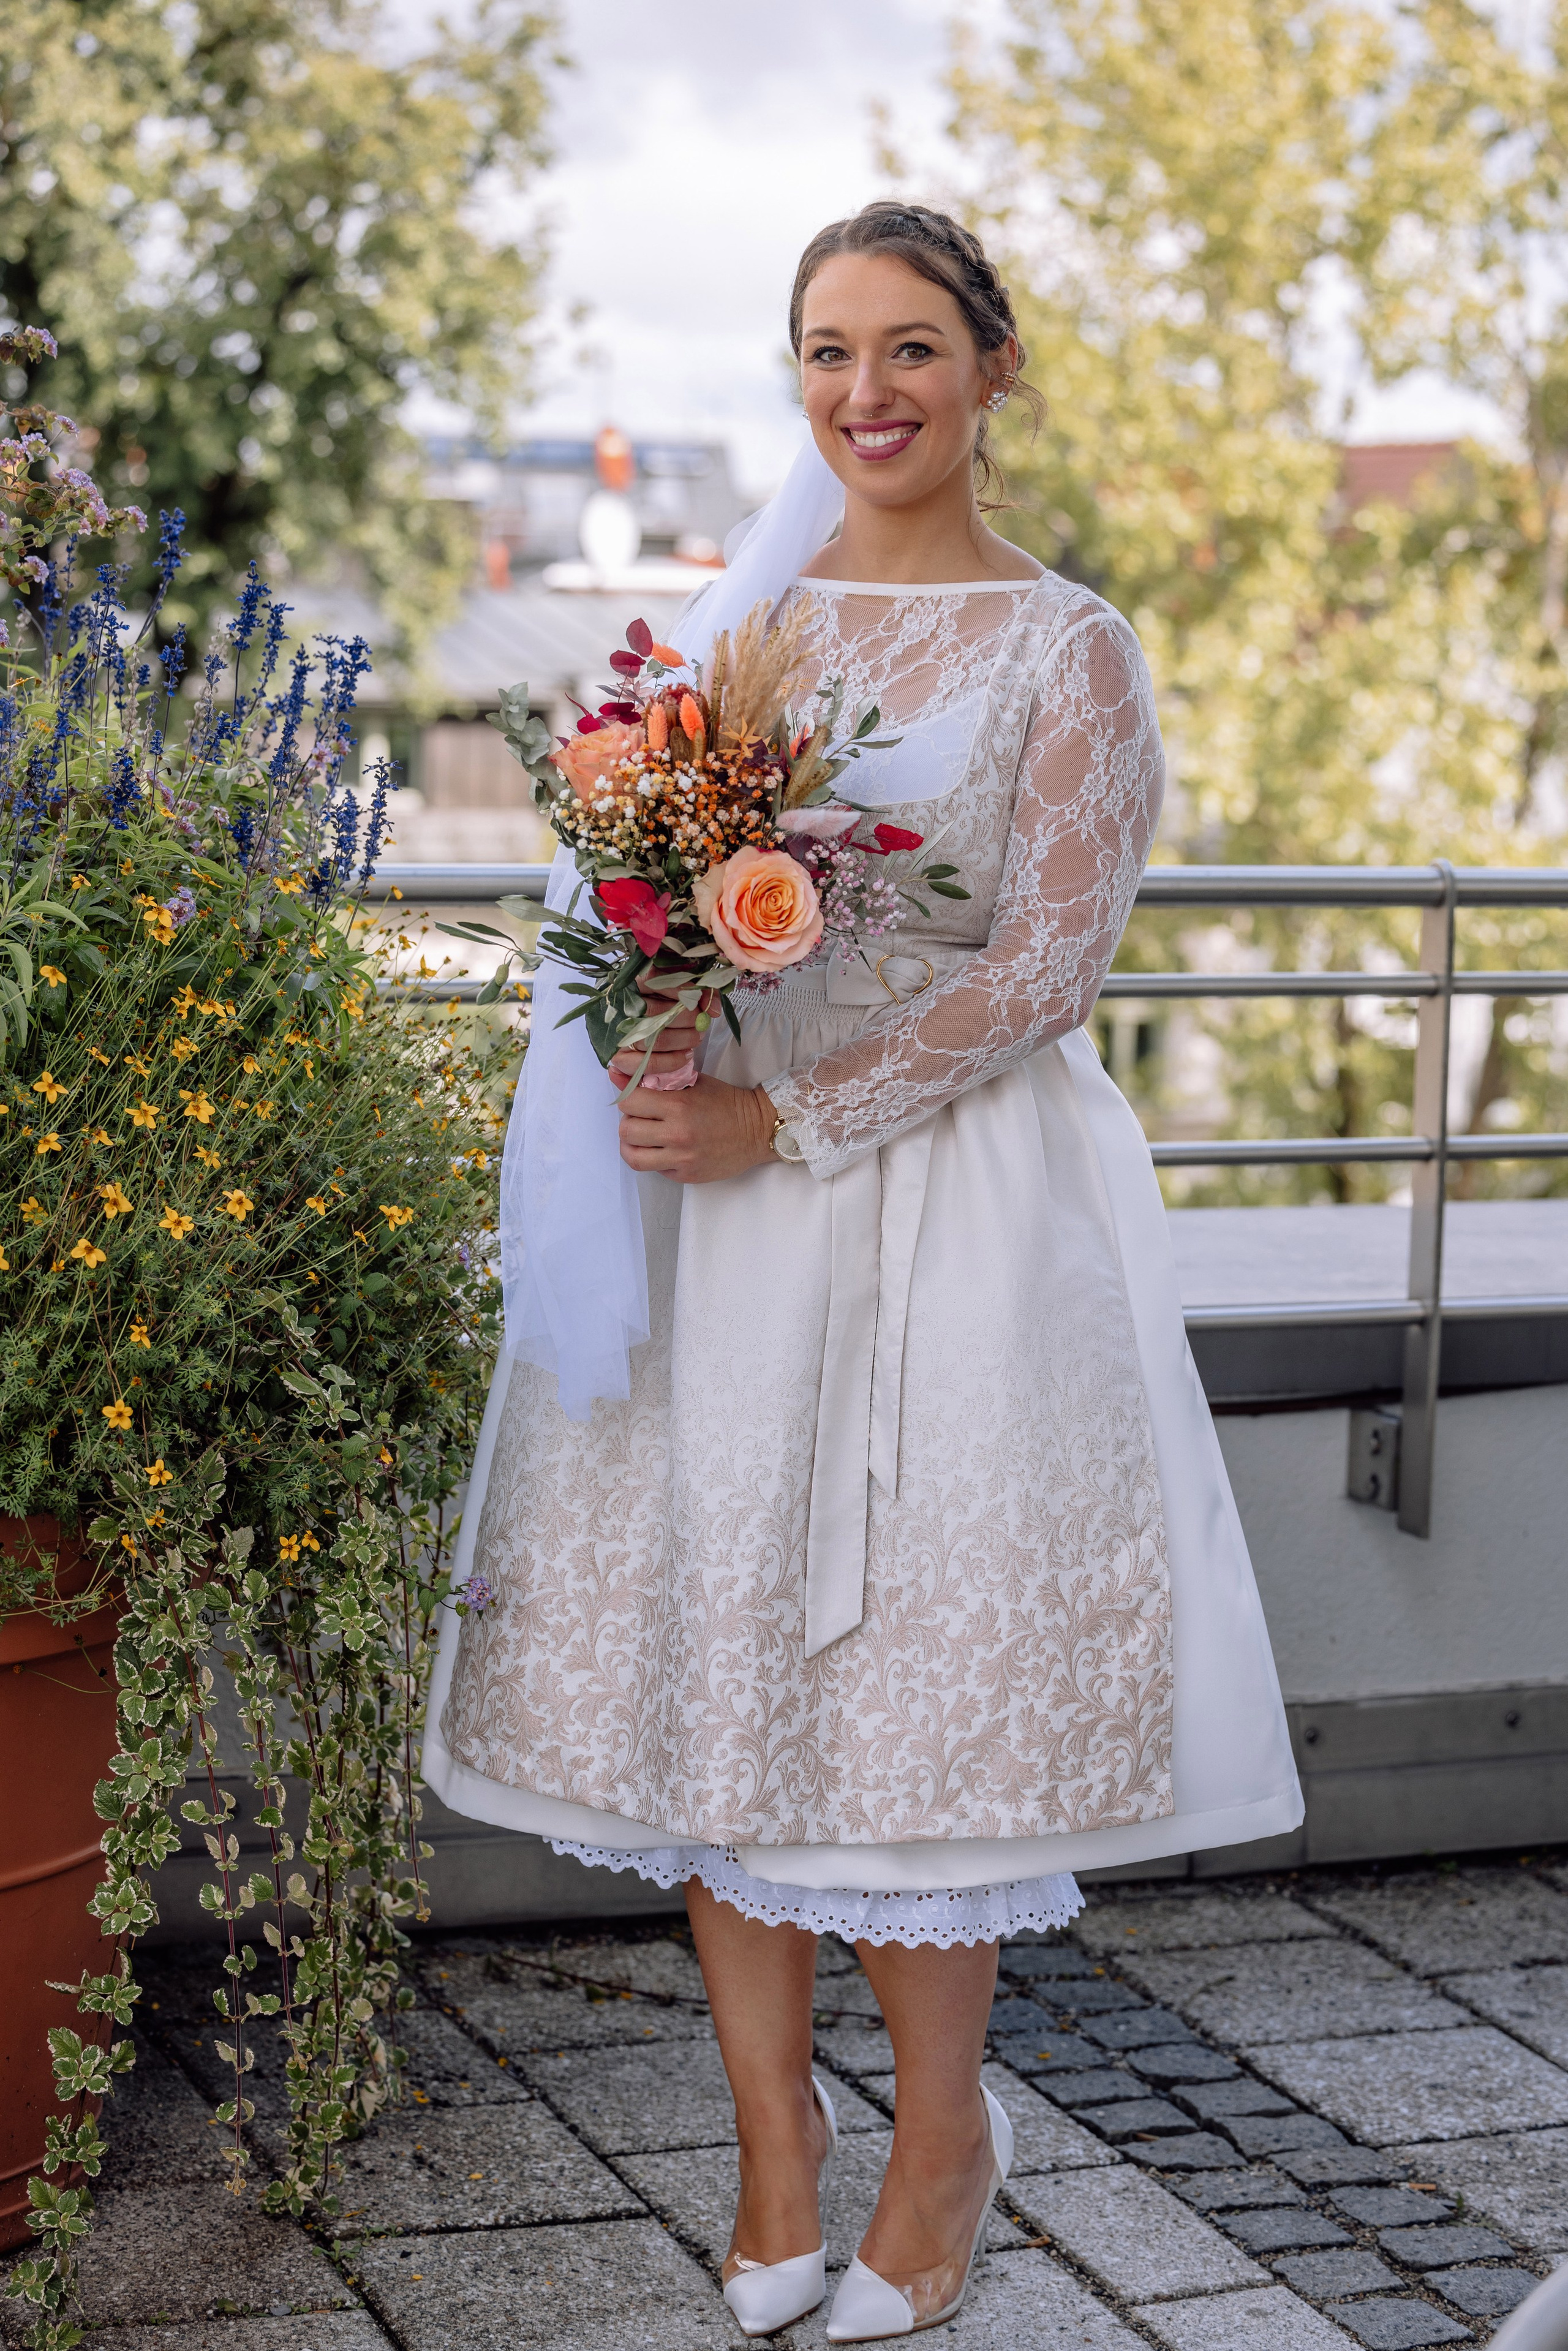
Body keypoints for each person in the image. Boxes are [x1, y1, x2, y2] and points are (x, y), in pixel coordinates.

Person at [424, 200, 1302, 2341]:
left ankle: (939, 2144)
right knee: (722, 1677)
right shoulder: (749, 631)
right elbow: (646, 892)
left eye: (914, 348)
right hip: (722, 1224)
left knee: (903, 1705)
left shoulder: (1064, 645)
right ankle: (772, 2156)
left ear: (994, 368)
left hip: (963, 1217)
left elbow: (1043, 971)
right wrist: (645, 1041)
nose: (867, 394)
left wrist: (782, 1117)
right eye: (828, 351)